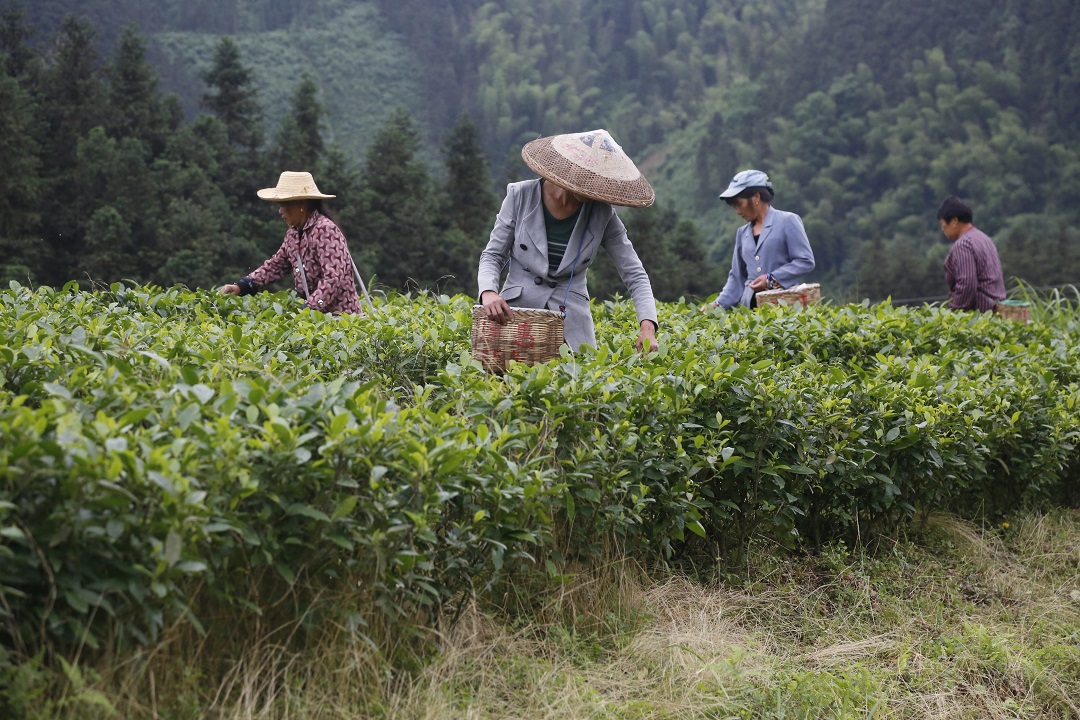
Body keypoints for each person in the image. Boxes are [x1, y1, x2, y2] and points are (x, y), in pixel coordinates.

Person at [477, 129, 659, 352]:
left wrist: (648, 326)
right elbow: (493, 255)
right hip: (517, 315)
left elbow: (634, 273)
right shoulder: (520, 196)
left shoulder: (602, 214)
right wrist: (488, 292)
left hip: (572, 322)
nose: (594, 187)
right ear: (570, 168)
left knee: (580, 381)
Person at [220, 171, 363, 314]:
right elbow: (277, 265)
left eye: (284, 204)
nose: (280, 211)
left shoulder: (325, 230)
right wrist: (243, 286)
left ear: (301, 204)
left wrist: (310, 307)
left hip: (342, 317)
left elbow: (334, 278)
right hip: (315, 318)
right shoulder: (293, 234)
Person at [700, 169, 815, 311]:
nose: (737, 211)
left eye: (739, 204)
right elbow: (737, 277)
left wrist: (770, 279)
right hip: (750, 311)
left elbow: (805, 261)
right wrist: (718, 304)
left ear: (756, 197)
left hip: (784, 308)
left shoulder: (787, 221)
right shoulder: (742, 234)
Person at [936, 195, 1005, 311]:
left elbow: (967, 284)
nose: (943, 230)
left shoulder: (963, 245)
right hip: (999, 310)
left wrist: (954, 312)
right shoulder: (985, 238)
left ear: (954, 221)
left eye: (943, 225)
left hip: (981, 315)